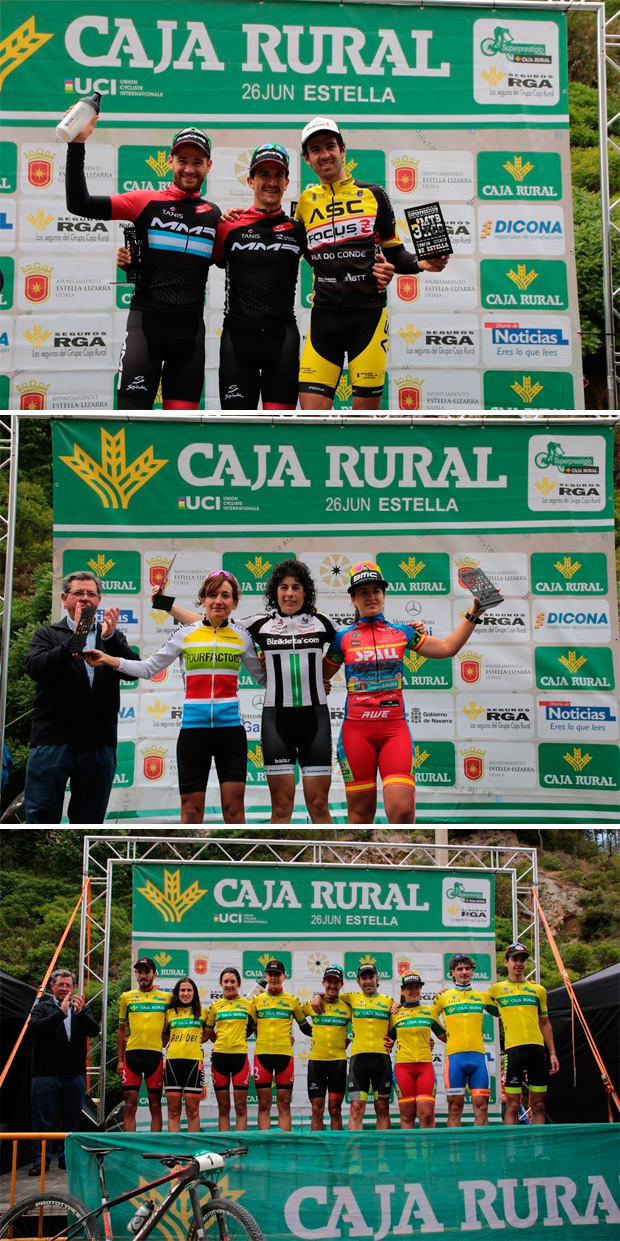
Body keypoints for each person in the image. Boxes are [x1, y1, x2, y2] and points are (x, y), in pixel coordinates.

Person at [160, 559, 338, 824]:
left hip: (316, 720)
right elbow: (208, 620)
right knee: (281, 807)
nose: (289, 593)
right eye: (283, 587)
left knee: (319, 806)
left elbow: (347, 648)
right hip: (277, 722)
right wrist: (164, 603)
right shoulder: (257, 624)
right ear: (274, 592)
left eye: (296, 587)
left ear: (306, 592)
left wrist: (321, 677)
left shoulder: (323, 622)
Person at [83, 570, 265, 824]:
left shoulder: (242, 636)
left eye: (226, 595)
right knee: (191, 812)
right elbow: (148, 668)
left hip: (231, 733)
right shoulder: (185, 634)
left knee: (234, 811)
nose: (219, 601)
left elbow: (264, 679)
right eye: (212, 595)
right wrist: (110, 660)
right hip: (193, 732)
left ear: (235, 602)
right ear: (203, 599)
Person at [295, 117, 449, 410]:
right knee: (312, 420)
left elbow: (394, 253)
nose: (324, 154)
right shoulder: (305, 201)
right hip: (323, 319)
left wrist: (422, 264)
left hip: (367, 318)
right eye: (315, 149)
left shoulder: (374, 194)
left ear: (343, 150)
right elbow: (298, 248)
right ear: (307, 159)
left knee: (364, 422)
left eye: (330, 146)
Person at [65, 120, 220, 409]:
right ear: (170, 160)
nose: (189, 168)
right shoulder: (144, 201)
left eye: (197, 161)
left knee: (179, 434)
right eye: (182, 160)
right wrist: (76, 144)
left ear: (208, 166)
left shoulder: (214, 214)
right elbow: (79, 204)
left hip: (190, 337)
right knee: (132, 424)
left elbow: (236, 255)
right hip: (146, 328)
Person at [323, 560, 488, 825]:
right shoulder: (341, 637)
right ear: (353, 599)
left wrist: (474, 613)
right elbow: (319, 676)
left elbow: (446, 648)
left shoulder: (402, 632)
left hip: (393, 731)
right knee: (360, 816)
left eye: (376, 590)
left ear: (384, 595)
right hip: (355, 733)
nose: (371, 596)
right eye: (363, 591)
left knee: (401, 812)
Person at [24, 570, 136, 824]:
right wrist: (75, 639)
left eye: (91, 594)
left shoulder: (111, 636)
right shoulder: (48, 634)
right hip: (52, 743)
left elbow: (133, 671)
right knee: (41, 817)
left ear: (99, 600)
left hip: (99, 744)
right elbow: (36, 669)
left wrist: (110, 638)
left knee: (89, 819)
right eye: (78, 593)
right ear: (65, 599)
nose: (85, 599)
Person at [29, 969, 99, 1176]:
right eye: (61, 985)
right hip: (46, 1074)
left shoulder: (80, 1008)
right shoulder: (42, 1007)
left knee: (72, 1119)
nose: (65, 989)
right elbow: (35, 1028)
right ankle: (40, 1161)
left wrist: (79, 1013)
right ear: (52, 986)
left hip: (74, 1074)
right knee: (43, 1120)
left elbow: (93, 1030)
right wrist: (61, 1013)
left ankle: (66, 1158)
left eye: (69, 985)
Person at [313, 962, 393, 1130]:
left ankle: (382, 1154)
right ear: (358, 981)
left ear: (377, 978)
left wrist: (393, 1039)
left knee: (382, 1108)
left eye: (371, 977)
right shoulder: (350, 998)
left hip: (382, 1062)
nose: (368, 981)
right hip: (359, 1063)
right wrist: (317, 996)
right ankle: (355, 1156)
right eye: (364, 978)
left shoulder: (389, 1001)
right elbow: (330, 993)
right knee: (356, 1108)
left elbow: (396, 1028)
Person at [488, 943, 559, 1125]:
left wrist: (552, 1053)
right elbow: (471, 997)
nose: (518, 963)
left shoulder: (538, 990)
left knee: (539, 1105)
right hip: (513, 1052)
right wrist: (444, 992)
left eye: (522, 960)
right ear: (506, 962)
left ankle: (539, 1151)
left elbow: (545, 1023)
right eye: (514, 959)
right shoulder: (496, 989)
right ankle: (511, 1152)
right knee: (512, 1105)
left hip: (537, 1051)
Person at [430, 953, 497, 1127]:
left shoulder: (482, 997)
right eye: (459, 969)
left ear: (472, 971)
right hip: (454, 1058)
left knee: (482, 1107)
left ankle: (482, 1152)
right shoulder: (443, 997)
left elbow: (505, 1010)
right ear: (452, 972)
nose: (464, 972)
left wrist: (524, 986)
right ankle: (455, 1153)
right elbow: (427, 1018)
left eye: (467, 968)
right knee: (454, 1108)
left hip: (478, 1059)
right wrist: (445, 1038)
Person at [252, 959, 312, 1131]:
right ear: (265, 976)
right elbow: (249, 1027)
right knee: (264, 1104)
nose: (274, 978)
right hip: (262, 1055)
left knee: (284, 1103)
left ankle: (283, 1143)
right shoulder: (256, 1000)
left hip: (285, 1056)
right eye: (271, 974)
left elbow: (306, 1028)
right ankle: (265, 1143)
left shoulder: (292, 1001)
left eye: (277, 975)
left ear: (284, 977)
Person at [117, 956, 171, 1132]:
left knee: (155, 1106)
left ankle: (154, 1152)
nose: (143, 975)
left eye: (146, 972)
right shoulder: (127, 997)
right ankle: (129, 1149)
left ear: (154, 974)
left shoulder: (166, 998)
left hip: (154, 1057)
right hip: (132, 1056)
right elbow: (121, 1030)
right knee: (130, 1106)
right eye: (139, 972)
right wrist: (119, 1060)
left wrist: (166, 1037)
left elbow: (173, 1024)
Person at [387, 971, 446, 1129]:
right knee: (407, 1115)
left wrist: (446, 1001)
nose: (413, 991)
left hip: (424, 1067)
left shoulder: (430, 1012)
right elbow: (388, 1040)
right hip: (403, 1068)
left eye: (417, 987)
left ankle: (427, 1155)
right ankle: (411, 1155)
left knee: (426, 1114)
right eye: (409, 987)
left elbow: (445, 1037)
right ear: (402, 990)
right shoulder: (395, 1014)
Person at [205, 968, 256, 1132]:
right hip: (219, 1058)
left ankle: (240, 1147)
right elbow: (207, 1034)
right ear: (221, 984)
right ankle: (225, 1148)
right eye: (226, 981)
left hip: (240, 1058)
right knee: (223, 1107)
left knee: (241, 1107)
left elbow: (259, 1030)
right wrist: (220, 1040)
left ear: (238, 984)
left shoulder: (248, 1005)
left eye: (232, 981)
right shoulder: (214, 1006)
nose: (229, 985)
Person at [303, 964, 351, 1131]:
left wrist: (350, 1037)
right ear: (323, 982)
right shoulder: (313, 1003)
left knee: (335, 1109)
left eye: (336, 982)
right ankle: (318, 1150)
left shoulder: (347, 1005)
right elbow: (292, 1016)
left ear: (341, 985)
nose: (332, 985)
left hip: (338, 1062)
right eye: (329, 981)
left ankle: (336, 1151)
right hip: (317, 1062)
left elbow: (364, 1025)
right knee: (317, 1109)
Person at [164, 977, 208, 1133]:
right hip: (172, 1064)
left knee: (192, 1111)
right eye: (182, 990)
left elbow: (207, 1035)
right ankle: (173, 1153)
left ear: (194, 993)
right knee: (173, 1111)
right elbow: (163, 1039)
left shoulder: (203, 1012)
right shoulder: (169, 1013)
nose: (185, 993)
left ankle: (193, 1152)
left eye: (189, 990)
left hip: (194, 1064)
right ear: (177, 993)